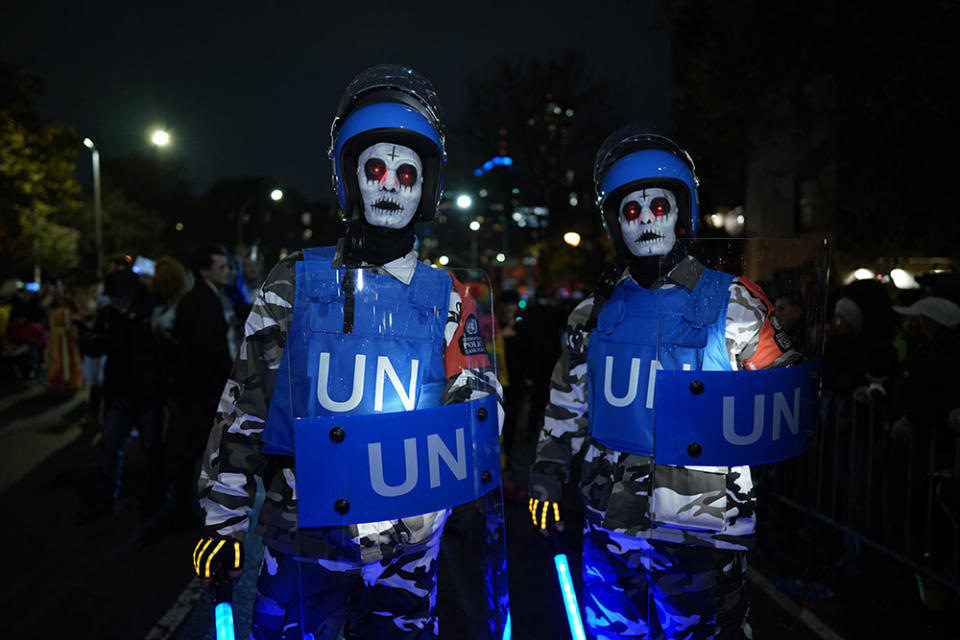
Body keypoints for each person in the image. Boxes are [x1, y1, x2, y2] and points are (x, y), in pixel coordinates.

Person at [192, 64, 502, 639]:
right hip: (302, 536)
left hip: (408, 550)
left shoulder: (451, 296)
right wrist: (223, 519)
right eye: (376, 168)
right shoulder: (293, 282)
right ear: (350, 178)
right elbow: (246, 407)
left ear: (425, 186)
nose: (390, 183)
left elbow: (481, 411)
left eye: (406, 172)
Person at [528, 127, 797, 639]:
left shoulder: (733, 304)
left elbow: (783, 402)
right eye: (631, 211)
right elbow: (568, 403)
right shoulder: (594, 313)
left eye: (659, 207)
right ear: (615, 224)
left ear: (682, 214)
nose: (646, 222)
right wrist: (547, 471)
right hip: (611, 524)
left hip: (702, 531)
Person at [169, 243, 232, 525]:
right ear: (205, 271)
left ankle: (186, 504)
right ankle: (184, 506)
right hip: (201, 389)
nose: (227, 271)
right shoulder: (199, 300)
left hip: (200, 386)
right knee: (194, 448)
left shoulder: (207, 297)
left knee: (197, 448)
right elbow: (207, 347)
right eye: (222, 267)